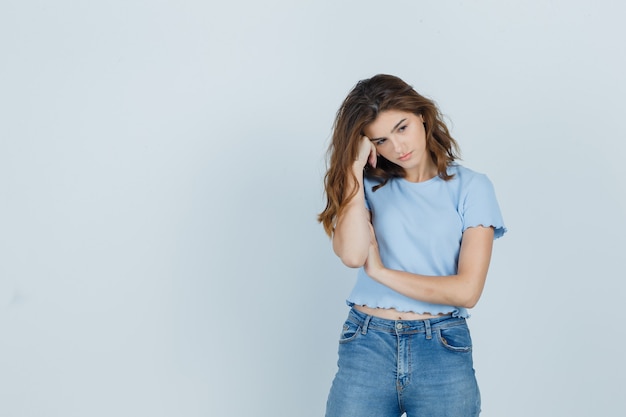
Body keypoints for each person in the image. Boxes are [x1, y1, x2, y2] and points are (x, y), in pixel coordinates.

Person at [318, 74, 506, 417]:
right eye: (381, 140)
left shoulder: (472, 188)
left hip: (442, 348)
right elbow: (352, 254)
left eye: (402, 127)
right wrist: (352, 167)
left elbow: (467, 292)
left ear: (421, 114)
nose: (398, 147)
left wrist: (381, 273)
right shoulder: (366, 185)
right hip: (367, 343)